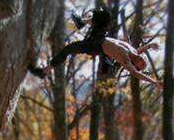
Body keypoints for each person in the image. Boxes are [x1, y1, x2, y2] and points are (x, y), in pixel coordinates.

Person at [28, 9, 162, 88]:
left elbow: (136, 74)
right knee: (106, 17)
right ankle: (82, 22)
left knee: (67, 50)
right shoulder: (133, 51)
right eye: (145, 59)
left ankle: (44, 71)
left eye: (142, 63)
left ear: (136, 65)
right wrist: (150, 46)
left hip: (95, 46)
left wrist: (154, 81)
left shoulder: (126, 60)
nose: (143, 59)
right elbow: (140, 51)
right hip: (100, 37)